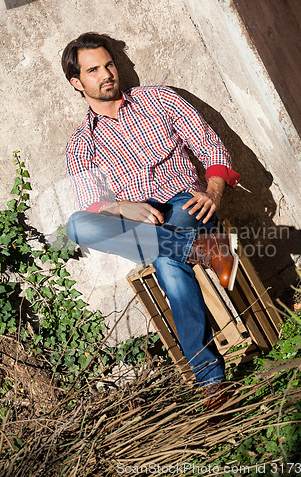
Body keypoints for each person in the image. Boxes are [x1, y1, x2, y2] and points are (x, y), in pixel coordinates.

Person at [61, 32, 241, 393]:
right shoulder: (81, 145)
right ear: (77, 82)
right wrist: (121, 206)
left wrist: (215, 192)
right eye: (94, 70)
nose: (107, 73)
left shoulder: (158, 99)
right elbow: (92, 203)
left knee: (166, 262)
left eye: (108, 64)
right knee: (77, 225)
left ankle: (212, 384)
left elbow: (211, 146)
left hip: (185, 204)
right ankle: (199, 249)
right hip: (139, 224)